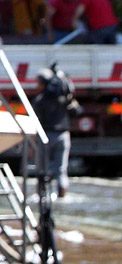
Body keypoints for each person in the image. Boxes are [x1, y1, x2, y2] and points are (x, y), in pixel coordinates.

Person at [31, 65, 80, 198]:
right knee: (61, 170)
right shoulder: (63, 99)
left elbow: (34, 119)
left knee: (42, 169)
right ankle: (62, 196)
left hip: (45, 136)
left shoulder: (40, 100)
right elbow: (77, 111)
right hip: (63, 136)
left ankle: (42, 198)